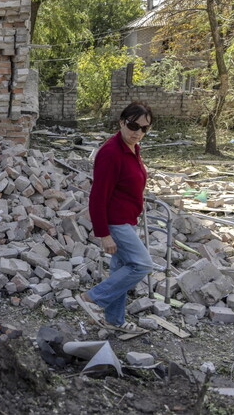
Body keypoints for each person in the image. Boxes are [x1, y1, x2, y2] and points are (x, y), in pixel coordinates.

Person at [79, 102, 155, 333]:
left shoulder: (132, 148)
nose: (138, 132)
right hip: (116, 222)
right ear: (122, 122)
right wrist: (104, 234)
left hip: (127, 220)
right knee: (142, 264)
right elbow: (97, 197)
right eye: (133, 126)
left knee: (121, 269)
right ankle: (93, 297)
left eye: (144, 128)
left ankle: (114, 320)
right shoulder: (111, 152)